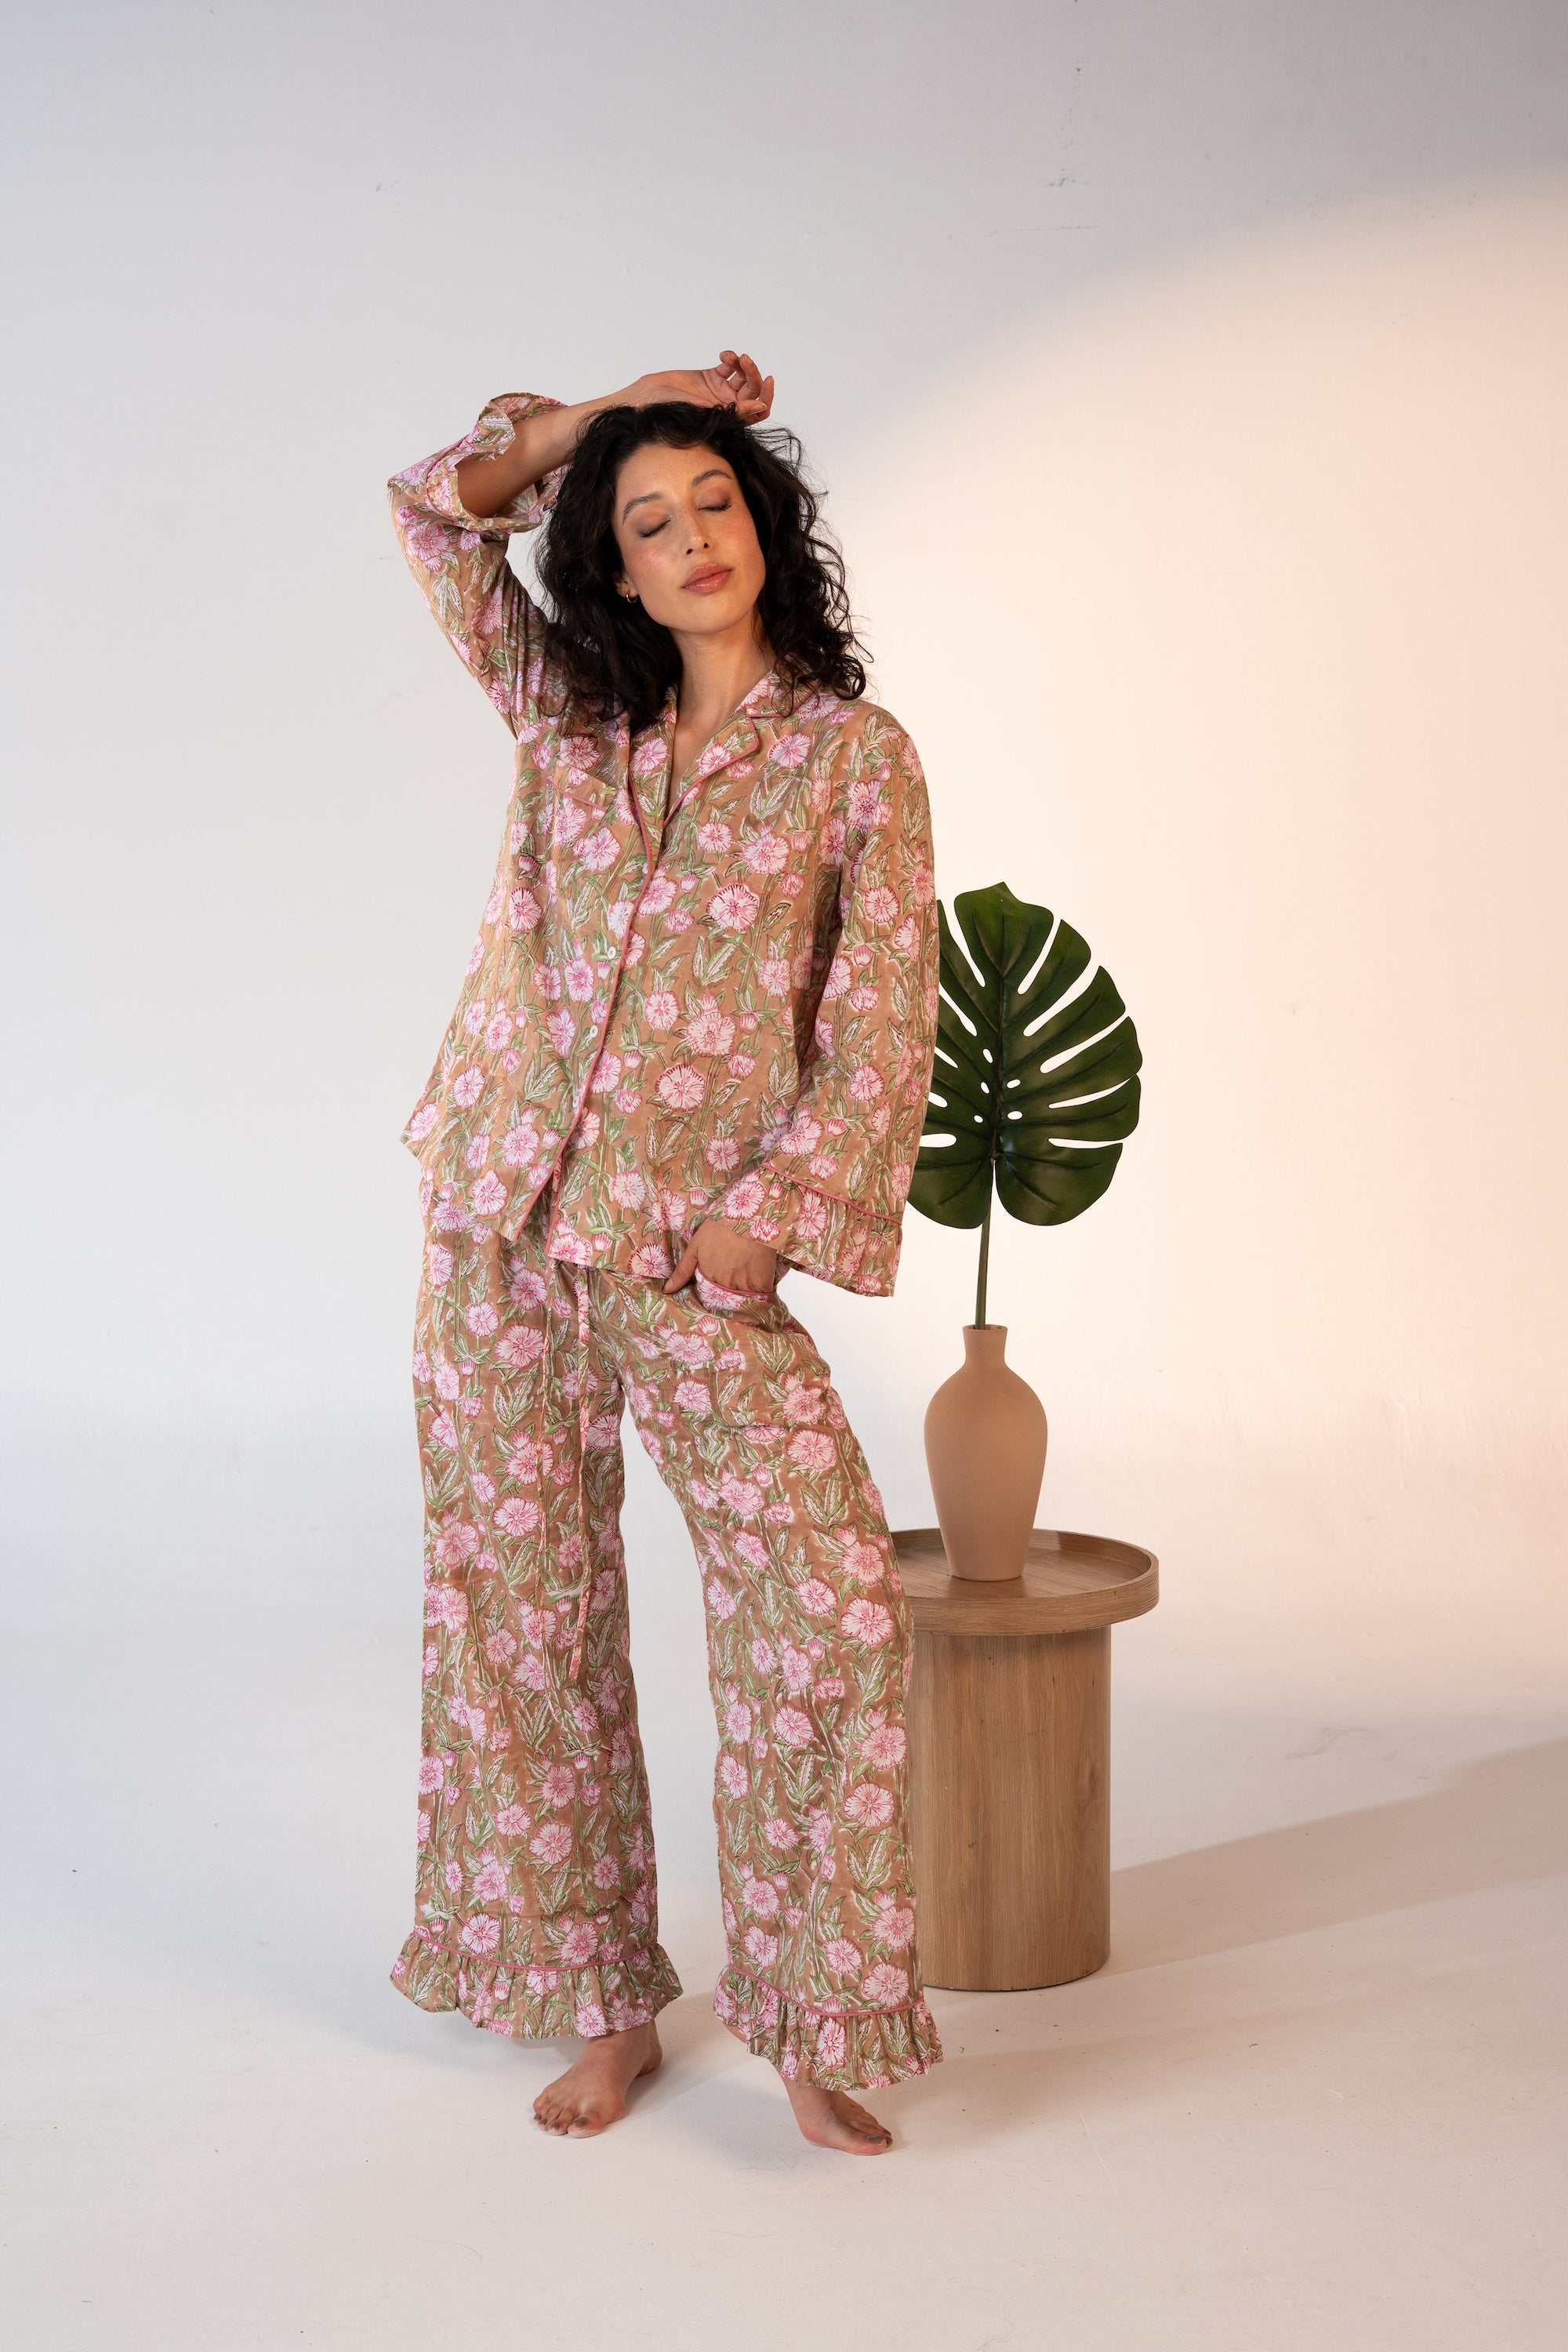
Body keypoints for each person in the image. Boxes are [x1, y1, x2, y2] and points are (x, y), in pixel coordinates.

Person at [386, 351, 942, 2155]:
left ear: (764, 529)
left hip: (688, 1249)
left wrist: (766, 1217)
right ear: (612, 569)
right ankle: (604, 2004)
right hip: (503, 1215)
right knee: (523, 1611)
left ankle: (810, 2016)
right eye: (647, 521)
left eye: (715, 502)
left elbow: (882, 1019)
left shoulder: (852, 760)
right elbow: (431, 522)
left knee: (822, 1602)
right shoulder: (571, 721)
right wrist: (588, 421)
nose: (692, 537)